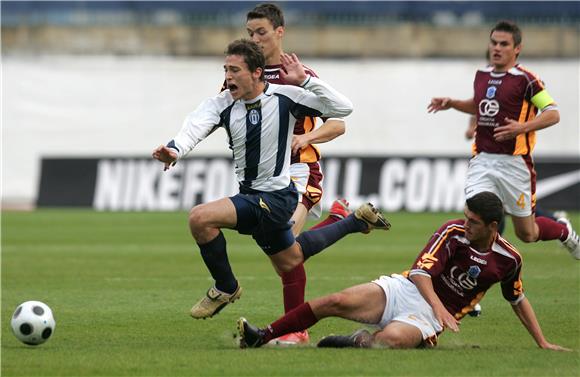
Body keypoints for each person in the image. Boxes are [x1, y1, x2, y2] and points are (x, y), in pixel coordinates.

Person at [152, 39, 391, 321]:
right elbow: (194, 127)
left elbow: (343, 109)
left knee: (200, 218)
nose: (228, 77)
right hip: (252, 194)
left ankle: (226, 287)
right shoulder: (222, 104)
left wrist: (305, 81)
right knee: (291, 259)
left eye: (235, 70)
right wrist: (174, 150)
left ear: (256, 72)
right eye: (225, 70)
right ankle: (352, 222)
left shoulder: (286, 97)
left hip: (275, 198)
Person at [237, 191, 570, 351]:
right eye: (465, 216)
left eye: (473, 221)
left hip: (427, 319)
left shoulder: (508, 259)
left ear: (493, 226)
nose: (465, 223)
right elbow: (421, 274)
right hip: (406, 290)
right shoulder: (452, 232)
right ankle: (263, 335)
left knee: (388, 342)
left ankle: (356, 341)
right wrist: (440, 305)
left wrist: (542, 342)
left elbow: (518, 299)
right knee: (333, 301)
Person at [242, 3, 351, 345]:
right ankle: (340, 220)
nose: (255, 39)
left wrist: (306, 136)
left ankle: (296, 331)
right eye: (250, 34)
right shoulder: (247, 75)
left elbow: (339, 123)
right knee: (283, 258)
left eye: (261, 32)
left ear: (279, 32)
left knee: (288, 252)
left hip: (300, 173)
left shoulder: (298, 74)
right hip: (262, 178)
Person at [427, 20, 579, 259]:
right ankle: (474, 282)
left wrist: (522, 128)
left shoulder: (526, 80)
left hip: (515, 164)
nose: (497, 48)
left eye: (504, 44)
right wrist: (453, 103)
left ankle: (564, 231)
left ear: (516, 48)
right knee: (474, 218)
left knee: (527, 233)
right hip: (483, 160)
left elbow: (553, 113)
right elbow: (479, 106)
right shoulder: (482, 75)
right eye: (494, 42)